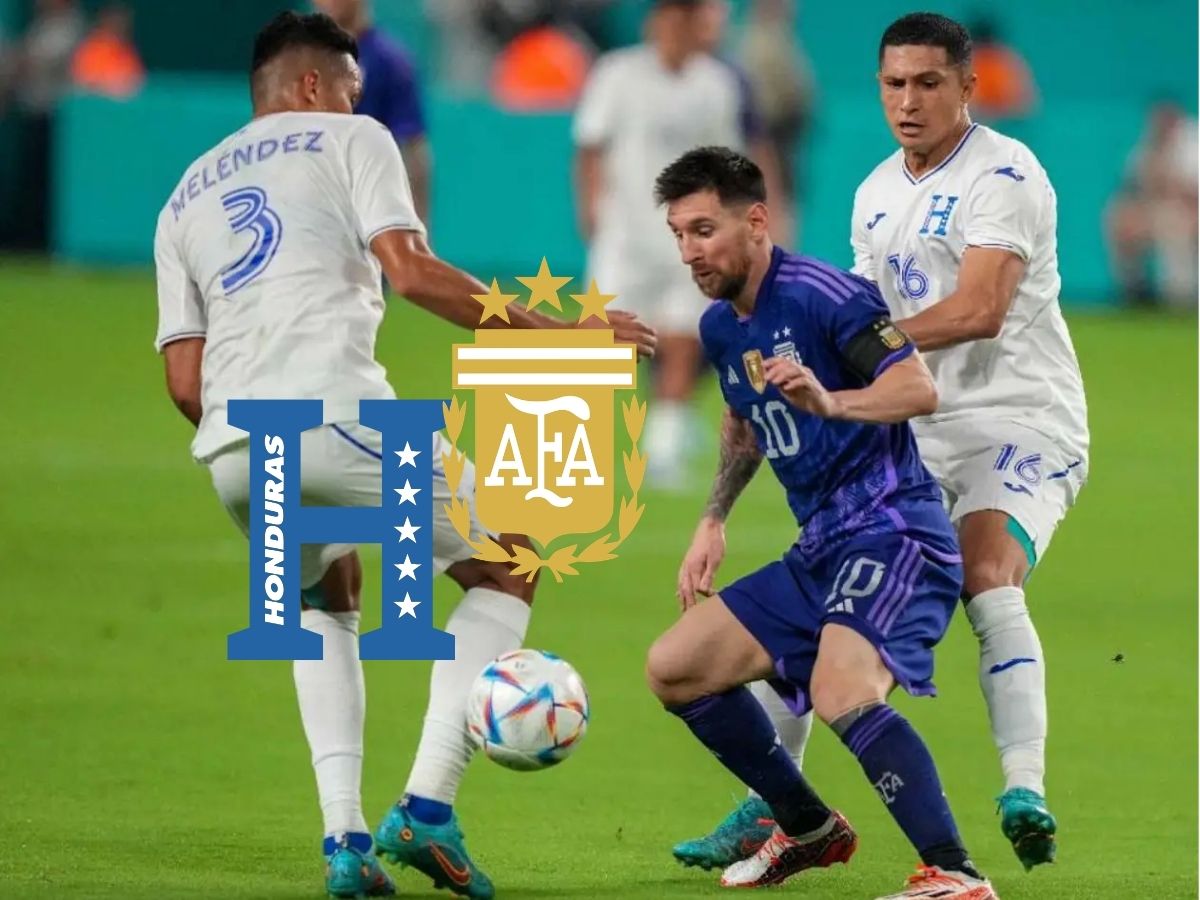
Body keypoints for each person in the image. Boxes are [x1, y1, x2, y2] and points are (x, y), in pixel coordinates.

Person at [152, 13, 654, 899]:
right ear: (314, 85)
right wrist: (558, 335)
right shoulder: (354, 137)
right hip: (333, 415)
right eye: (351, 88)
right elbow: (412, 271)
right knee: (510, 561)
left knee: (327, 593)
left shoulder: (185, 194)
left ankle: (343, 840)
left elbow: (184, 379)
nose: (360, 101)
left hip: (232, 451)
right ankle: (427, 807)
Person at [682, 11, 1089, 875]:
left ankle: (1024, 786)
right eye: (894, 84)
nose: (908, 101)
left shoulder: (1005, 173)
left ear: (967, 86)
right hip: (914, 421)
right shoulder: (874, 192)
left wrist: (858, 344)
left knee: (986, 572)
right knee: (829, 580)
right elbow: (857, 321)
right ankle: (772, 804)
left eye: (928, 83)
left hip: (1018, 417)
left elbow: (980, 309)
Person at [646, 145, 998, 900]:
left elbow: (916, 388)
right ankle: (807, 828)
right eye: (678, 234)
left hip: (895, 532)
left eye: (703, 230)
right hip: (821, 551)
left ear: (756, 222)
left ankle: (955, 873)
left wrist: (833, 401)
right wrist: (713, 519)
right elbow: (744, 423)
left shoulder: (827, 296)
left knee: (843, 689)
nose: (689, 252)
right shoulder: (720, 328)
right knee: (674, 667)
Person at [573, 0, 745, 489]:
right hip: (625, 234)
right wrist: (590, 205)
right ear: (654, 23)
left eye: (684, 19)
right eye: (667, 19)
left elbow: (725, 161)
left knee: (684, 337)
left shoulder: (717, 83)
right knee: (603, 342)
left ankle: (664, 445)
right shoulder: (616, 74)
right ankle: (572, 443)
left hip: (688, 238)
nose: (675, 28)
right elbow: (590, 146)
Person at [312, 0, 431, 225]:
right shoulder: (298, 60)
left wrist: (417, 224)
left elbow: (412, 147)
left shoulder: (389, 62)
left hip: (366, 209)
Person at [1105, 98, 1198, 309]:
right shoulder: (1149, 146)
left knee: (1174, 221)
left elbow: (1189, 194)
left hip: (1187, 213)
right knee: (1120, 217)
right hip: (1159, 211)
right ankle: (1135, 292)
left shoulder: (1194, 142)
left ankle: (1179, 299)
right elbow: (1136, 189)